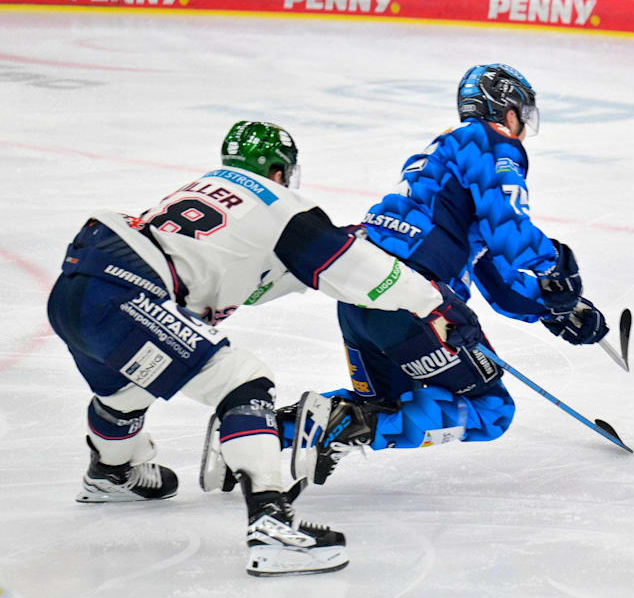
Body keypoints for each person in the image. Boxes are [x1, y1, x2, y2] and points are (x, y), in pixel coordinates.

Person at [46, 120, 480, 576]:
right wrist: (434, 303)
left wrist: (334, 245)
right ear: (278, 170)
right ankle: (270, 526)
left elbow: (256, 275)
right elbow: (356, 270)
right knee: (245, 382)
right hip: (127, 292)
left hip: (79, 285)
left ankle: (111, 472)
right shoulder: (280, 204)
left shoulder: (215, 191)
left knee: (125, 393)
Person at [280, 63, 610, 485]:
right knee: (491, 410)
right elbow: (509, 231)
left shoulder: (438, 171)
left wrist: (557, 308)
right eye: (522, 115)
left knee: (386, 404)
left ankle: (253, 435)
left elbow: (500, 283)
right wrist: (559, 269)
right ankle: (346, 426)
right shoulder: (489, 142)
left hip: (361, 297)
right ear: (506, 110)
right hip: (415, 300)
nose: (523, 129)